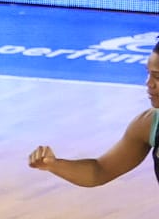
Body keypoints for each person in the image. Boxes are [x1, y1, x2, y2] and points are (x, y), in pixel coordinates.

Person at [29, 43, 159, 190]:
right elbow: (99, 171)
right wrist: (54, 165)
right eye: (148, 73)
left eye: (157, 76)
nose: (149, 83)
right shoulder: (148, 124)